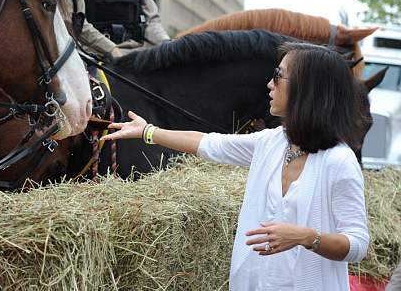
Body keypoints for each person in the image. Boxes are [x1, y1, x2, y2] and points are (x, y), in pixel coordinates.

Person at [102, 42, 370, 290]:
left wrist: (307, 237)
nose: (269, 84)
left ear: (308, 88)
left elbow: (357, 245)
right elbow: (210, 144)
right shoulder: (271, 142)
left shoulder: (339, 162)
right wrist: (148, 131)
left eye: (278, 75)